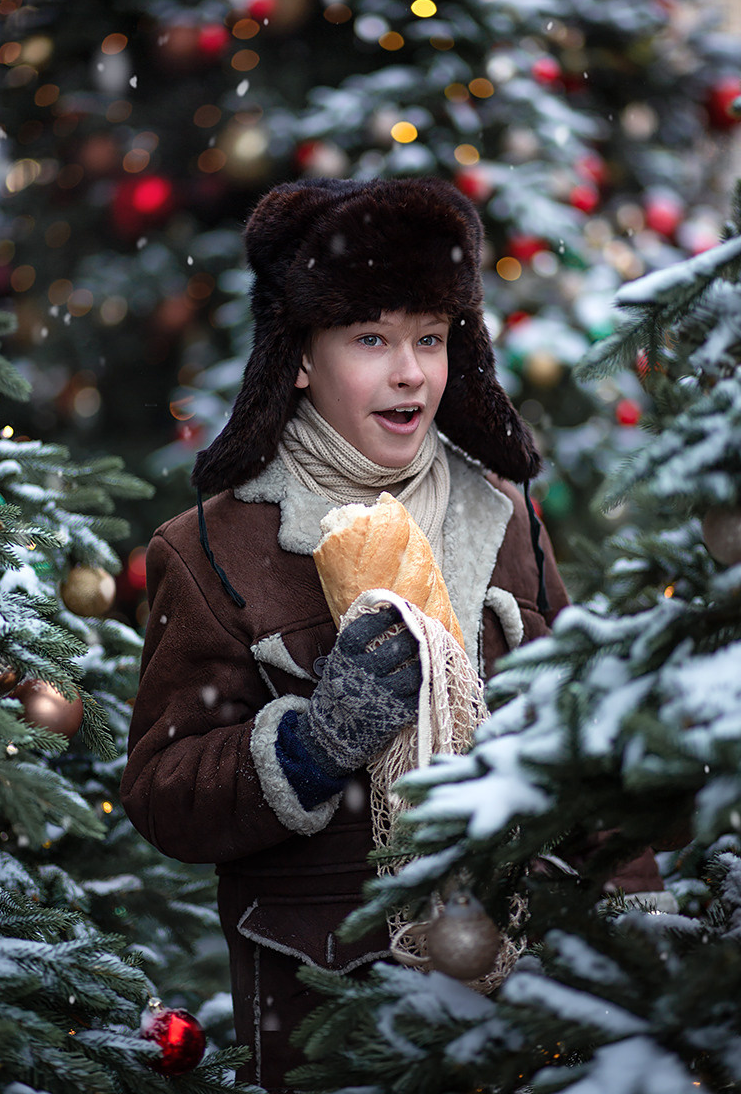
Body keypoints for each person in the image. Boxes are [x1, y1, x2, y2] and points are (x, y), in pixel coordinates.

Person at [119, 176, 656, 1093]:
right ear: (299, 357)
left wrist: (641, 924)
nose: (410, 372)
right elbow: (162, 793)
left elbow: (582, 745)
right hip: (333, 1015)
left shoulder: (505, 520)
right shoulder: (215, 548)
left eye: (430, 339)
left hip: (526, 1018)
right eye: (371, 338)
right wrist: (310, 746)